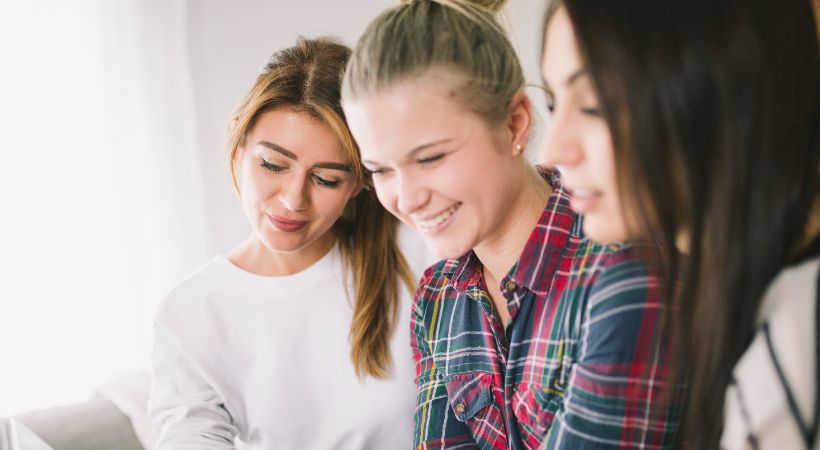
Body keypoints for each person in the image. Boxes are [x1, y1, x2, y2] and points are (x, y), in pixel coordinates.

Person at [341, 0, 681, 448]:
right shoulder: (437, 297)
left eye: (430, 157)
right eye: (380, 170)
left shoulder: (623, 270)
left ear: (514, 124)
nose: (406, 199)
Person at [540, 0, 820, 448]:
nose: (552, 151)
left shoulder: (801, 323)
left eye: (595, 103)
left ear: (721, 84)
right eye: (554, 104)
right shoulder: (737, 296)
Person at [148, 37, 432, 449]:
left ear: (358, 183)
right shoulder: (191, 311)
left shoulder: (413, 251)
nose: (292, 199)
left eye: (326, 179)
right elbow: (190, 435)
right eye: (273, 165)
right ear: (239, 151)